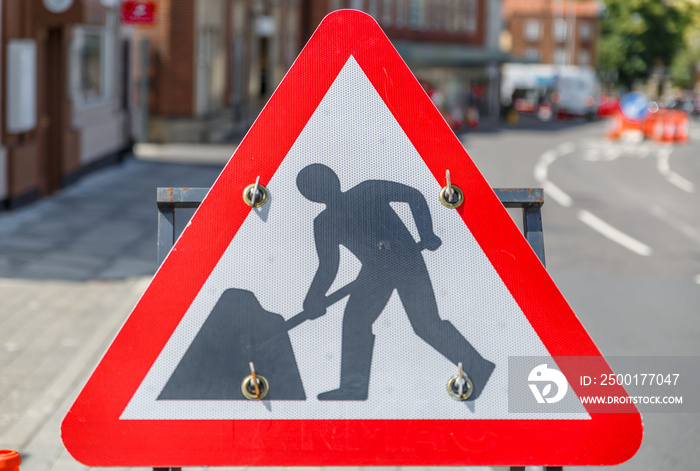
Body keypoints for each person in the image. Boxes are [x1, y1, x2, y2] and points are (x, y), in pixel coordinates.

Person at [297, 164, 494, 401]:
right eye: (311, 188)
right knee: (355, 322)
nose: (317, 191)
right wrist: (314, 298)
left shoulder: (367, 191)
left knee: (425, 324)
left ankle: (478, 366)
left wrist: (426, 233)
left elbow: (413, 195)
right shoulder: (325, 221)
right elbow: (328, 266)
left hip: (405, 260)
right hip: (375, 270)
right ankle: (354, 387)